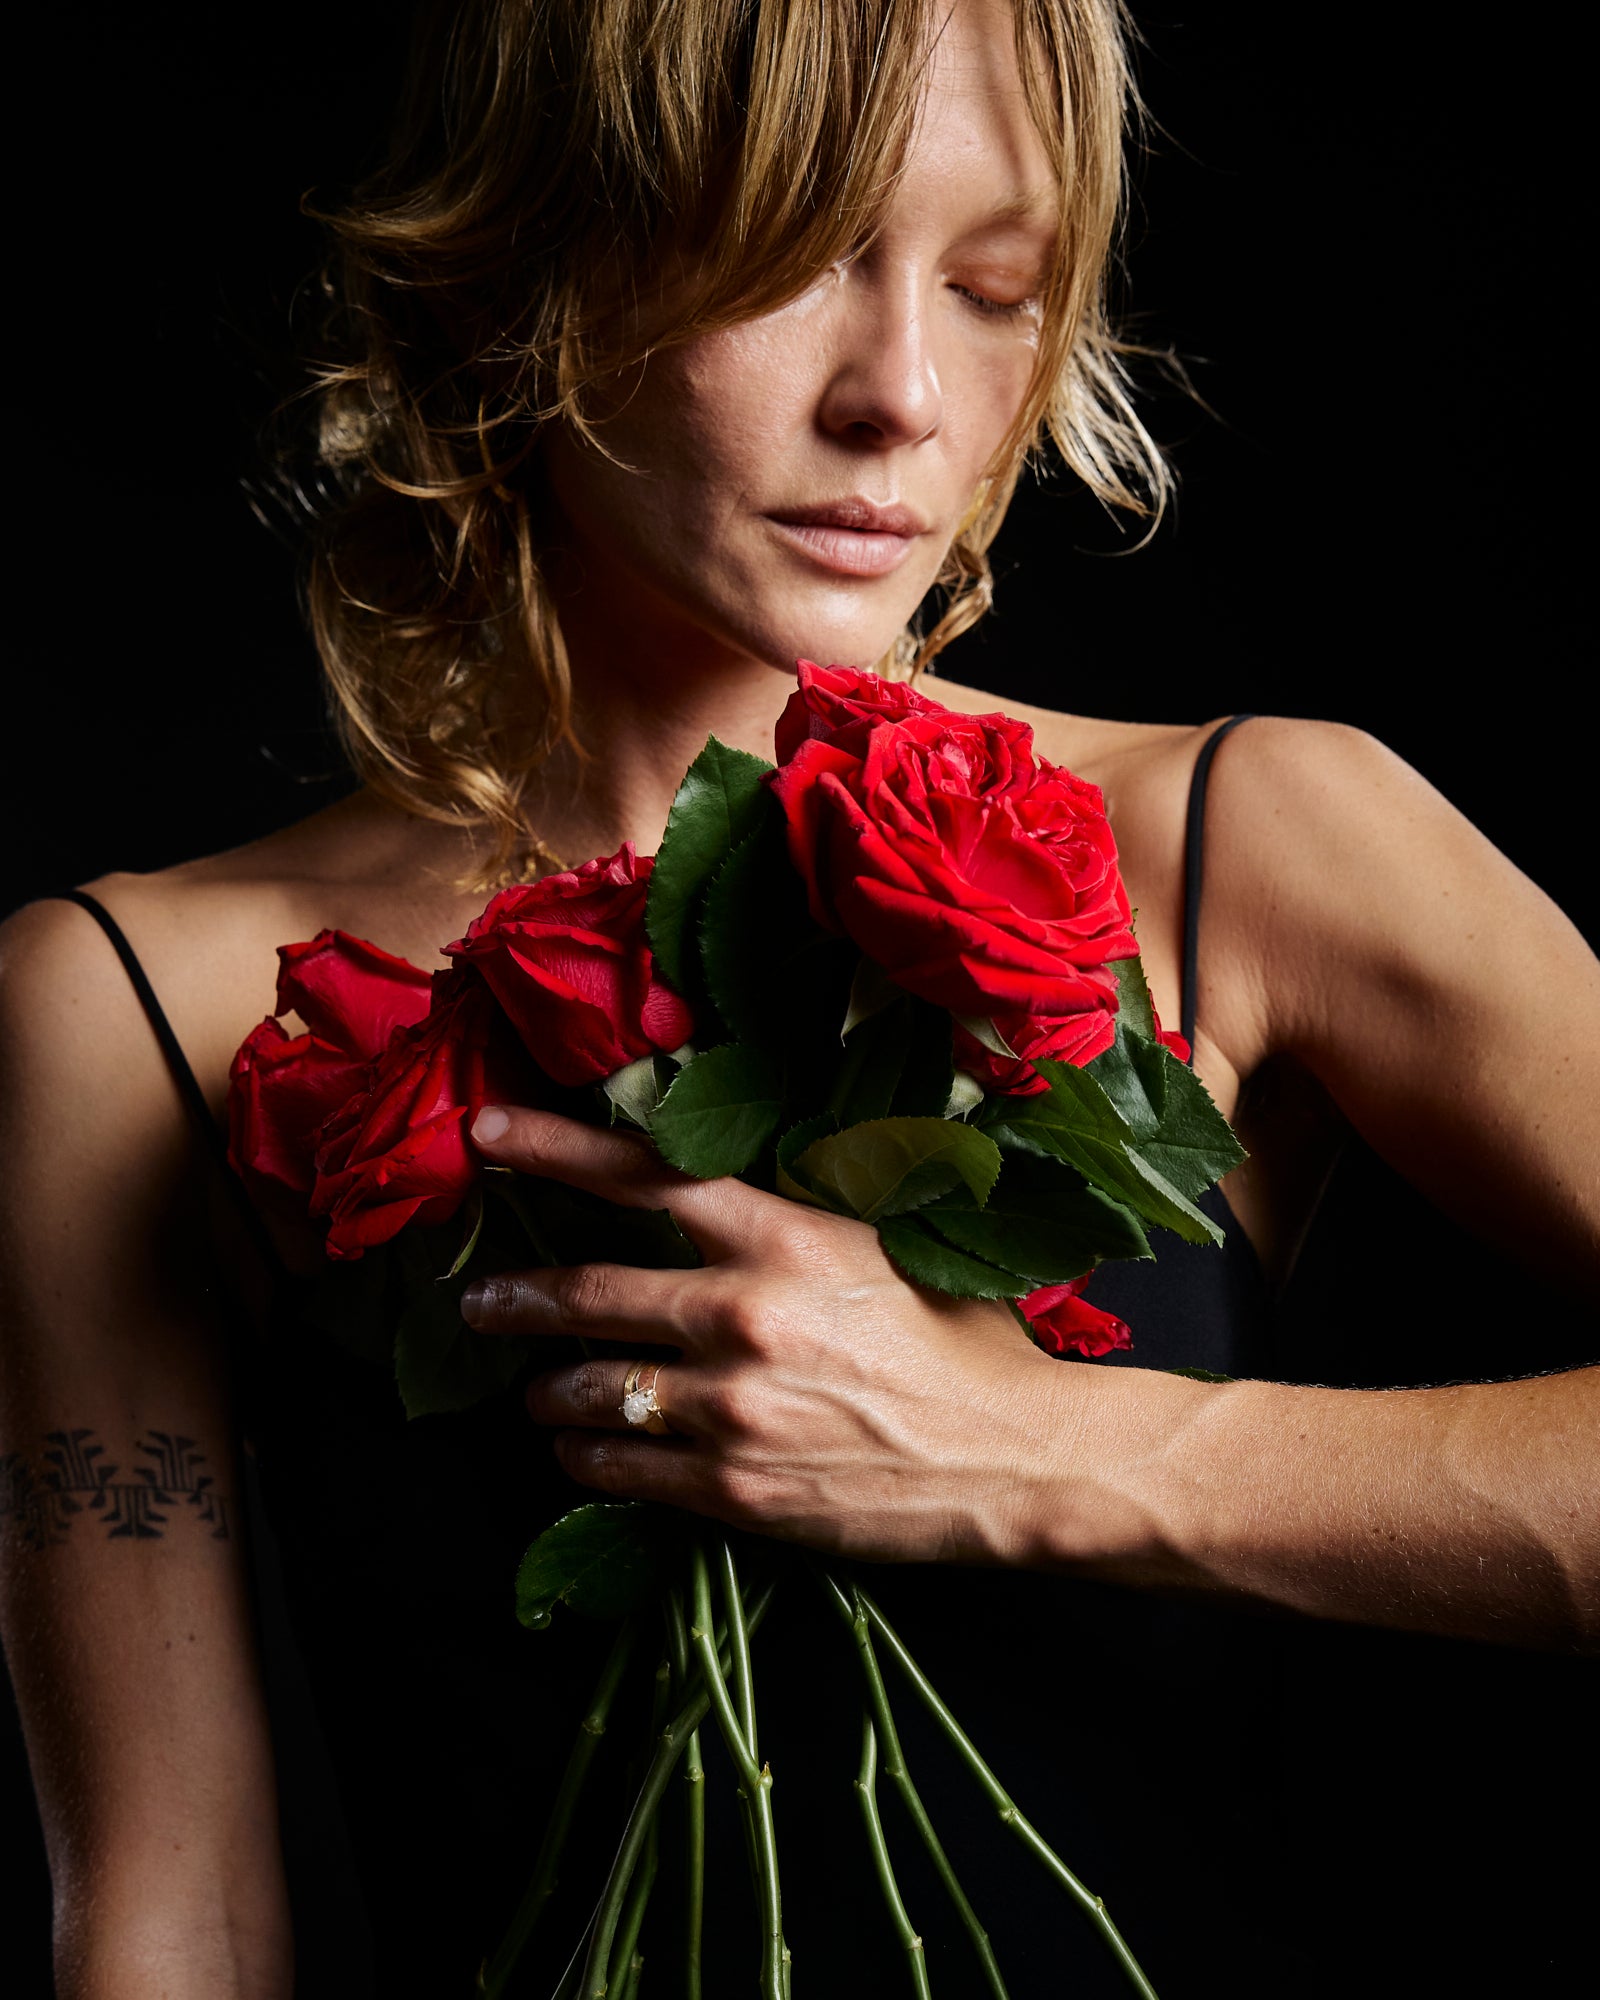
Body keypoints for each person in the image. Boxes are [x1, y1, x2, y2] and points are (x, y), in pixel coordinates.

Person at [1, 1, 1594, 1994]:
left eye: (997, 287)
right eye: (781, 270)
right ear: (523, 266)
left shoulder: (1245, 843)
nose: (904, 398)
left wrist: (1074, 1456)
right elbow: (174, 1917)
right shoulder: (133, 1003)